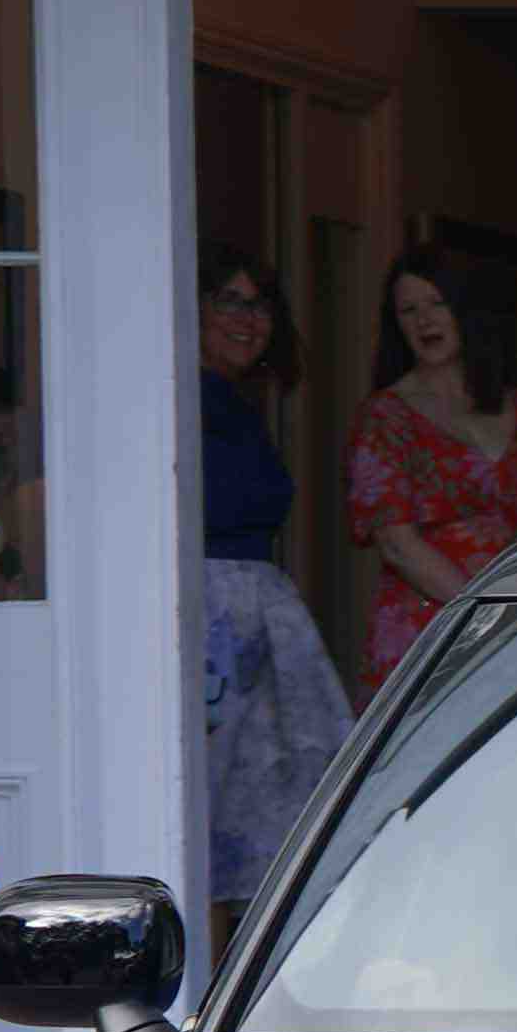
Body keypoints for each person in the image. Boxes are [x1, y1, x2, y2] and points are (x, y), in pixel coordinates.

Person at [195, 252, 358, 914]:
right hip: (209, 628)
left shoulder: (238, 403)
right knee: (208, 800)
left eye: (259, 304)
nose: (247, 319)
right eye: (228, 301)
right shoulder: (176, 396)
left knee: (260, 802)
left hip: (252, 625)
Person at [346, 249, 517, 693]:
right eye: (409, 310)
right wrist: (486, 612)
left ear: (467, 311)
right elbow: (397, 545)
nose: (424, 320)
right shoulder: (386, 417)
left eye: (438, 303)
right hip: (431, 631)